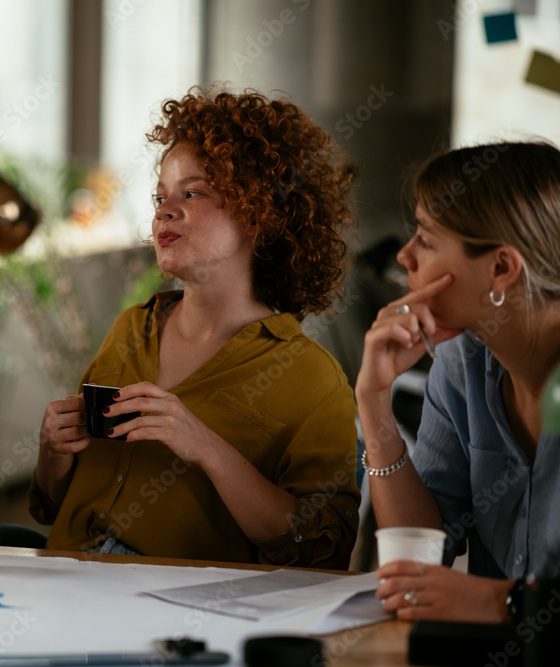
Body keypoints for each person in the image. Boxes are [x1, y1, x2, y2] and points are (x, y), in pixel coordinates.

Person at [29, 86, 361, 567]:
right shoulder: (131, 329)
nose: (164, 209)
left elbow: (320, 552)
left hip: (181, 622)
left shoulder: (313, 379)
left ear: (259, 211)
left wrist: (204, 445)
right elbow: (55, 503)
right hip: (64, 586)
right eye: (160, 196)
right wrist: (53, 449)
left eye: (193, 192)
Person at [357, 141, 560, 622]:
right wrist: (374, 401)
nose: (404, 256)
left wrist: (501, 602)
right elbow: (419, 559)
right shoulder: (462, 361)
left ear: (500, 269)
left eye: (426, 239)